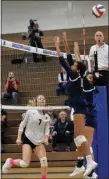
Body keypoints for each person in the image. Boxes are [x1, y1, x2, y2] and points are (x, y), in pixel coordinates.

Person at [53, 36, 98, 177]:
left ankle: (90, 162)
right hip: (79, 107)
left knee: (79, 138)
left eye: (74, 65)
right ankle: (80, 165)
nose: (72, 65)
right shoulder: (77, 75)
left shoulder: (74, 75)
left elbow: (63, 60)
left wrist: (57, 46)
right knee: (77, 139)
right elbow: (71, 57)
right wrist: (67, 42)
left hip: (80, 108)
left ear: (77, 69)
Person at [2, 95, 51, 179]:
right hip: (28, 138)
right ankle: (10, 161)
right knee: (25, 164)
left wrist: (46, 138)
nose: (42, 100)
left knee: (44, 160)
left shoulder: (47, 116)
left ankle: (44, 178)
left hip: (39, 141)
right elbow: (22, 125)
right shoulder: (30, 111)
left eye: (44, 99)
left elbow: (47, 129)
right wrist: (18, 137)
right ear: (36, 101)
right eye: (40, 98)